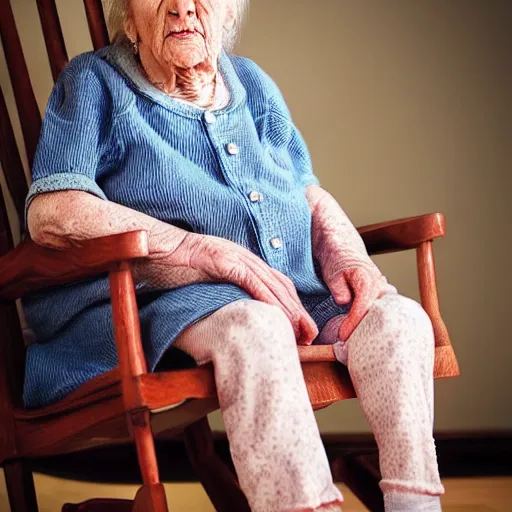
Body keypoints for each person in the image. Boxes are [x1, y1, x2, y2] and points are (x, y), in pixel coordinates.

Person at [23, 0, 445, 510]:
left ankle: (416, 505)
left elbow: (306, 191)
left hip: (290, 291)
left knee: (399, 321)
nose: (181, 6)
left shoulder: (253, 84)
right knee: (256, 327)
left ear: (229, 14)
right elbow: (52, 209)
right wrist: (196, 249)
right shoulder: (94, 82)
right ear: (128, 17)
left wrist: (350, 257)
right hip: (158, 307)